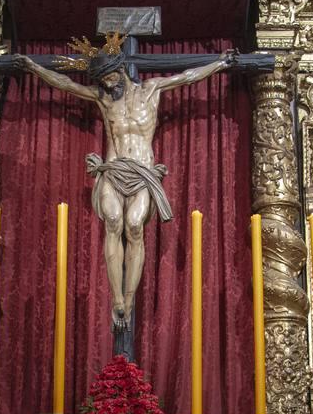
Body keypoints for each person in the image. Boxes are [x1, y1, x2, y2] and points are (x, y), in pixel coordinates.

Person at [15, 35, 236, 333]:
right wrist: (32, 67)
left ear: (121, 69)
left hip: (143, 172)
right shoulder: (104, 100)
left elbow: (188, 77)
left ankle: (129, 300)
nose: (107, 84)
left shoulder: (151, 89)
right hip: (113, 169)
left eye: (110, 77)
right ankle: (117, 298)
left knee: (134, 226)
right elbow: (65, 84)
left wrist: (221, 63)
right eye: (102, 80)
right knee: (114, 221)